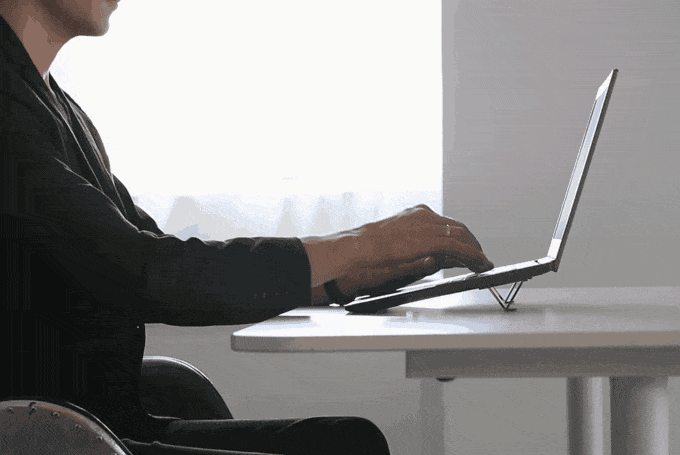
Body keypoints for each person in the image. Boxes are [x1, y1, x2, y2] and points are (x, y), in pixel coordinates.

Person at [0, 1, 494, 454]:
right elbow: (144, 274)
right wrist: (360, 245)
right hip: (54, 436)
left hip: (99, 424)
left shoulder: (55, 104)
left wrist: (349, 276)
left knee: (346, 440)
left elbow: (146, 250)